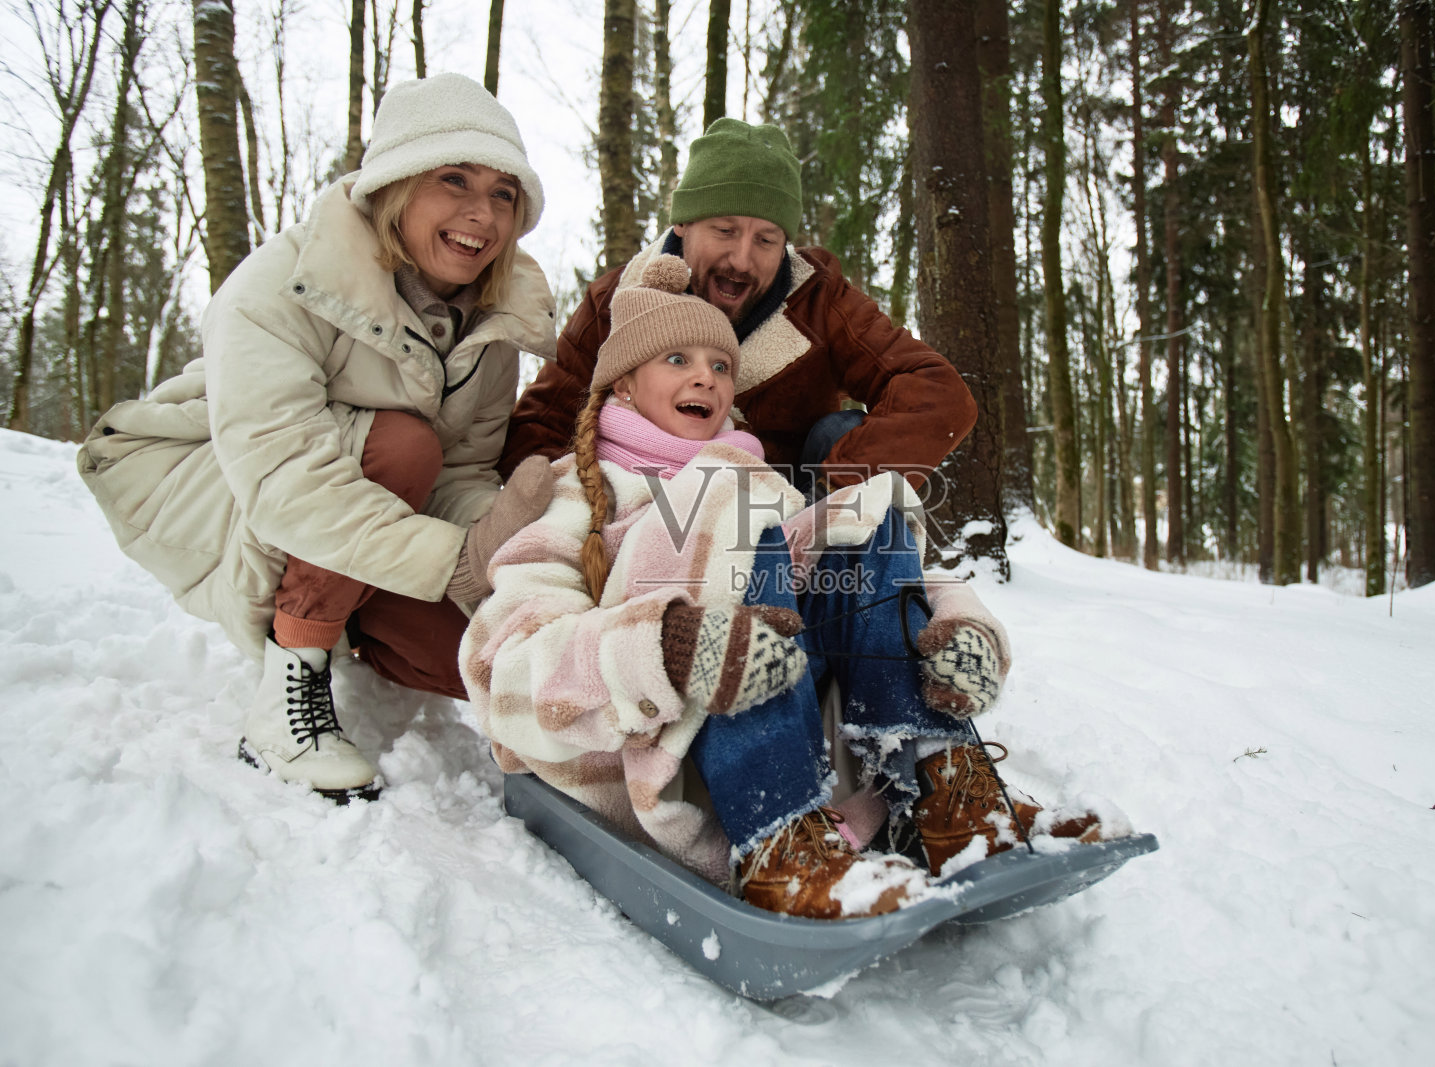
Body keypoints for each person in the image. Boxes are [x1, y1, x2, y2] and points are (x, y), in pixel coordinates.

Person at [462, 256, 1105, 921]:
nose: (705, 377)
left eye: (720, 365)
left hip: (817, 735)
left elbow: (878, 588)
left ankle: (944, 789)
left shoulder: (757, 487)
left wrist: (957, 627)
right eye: (678, 358)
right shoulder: (575, 495)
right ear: (622, 384)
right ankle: (778, 838)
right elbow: (498, 661)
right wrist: (666, 648)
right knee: (724, 503)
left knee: (863, 515)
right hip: (677, 756)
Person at [77, 73, 558, 803]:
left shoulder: (491, 326)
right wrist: (449, 557)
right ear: (395, 185)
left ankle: (355, 629)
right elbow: (285, 481)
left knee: (475, 648)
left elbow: (462, 471)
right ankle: (288, 694)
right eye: (453, 179)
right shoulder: (279, 284)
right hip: (213, 487)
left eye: (502, 193)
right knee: (405, 446)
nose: (480, 213)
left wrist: (495, 558)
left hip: (353, 521)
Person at [497, 117, 978, 499]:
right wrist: (591, 514)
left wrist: (830, 495)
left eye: (766, 239)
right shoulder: (619, 299)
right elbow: (537, 430)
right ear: (683, 223)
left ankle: (852, 603)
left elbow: (938, 394)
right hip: (645, 513)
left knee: (841, 429)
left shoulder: (820, 299)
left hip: (786, 518)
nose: (742, 259)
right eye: (725, 231)